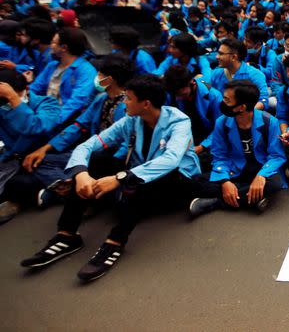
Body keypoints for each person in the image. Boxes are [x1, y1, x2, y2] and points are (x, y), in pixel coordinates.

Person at [19, 75, 200, 282]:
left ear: (146, 103)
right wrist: (81, 174)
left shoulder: (178, 121)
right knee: (96, 160)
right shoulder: (132, 120)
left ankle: (115, 242)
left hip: (176, 182)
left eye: (129, 98)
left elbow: (170, 160)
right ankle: (67, 234)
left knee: (138, 181)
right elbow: (88, 145)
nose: (124, 102)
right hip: (138, 175)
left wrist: (119, 178)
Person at [0, 56, 131, 224]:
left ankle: (79, 193)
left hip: (110, 157)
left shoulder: (127, 103)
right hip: (92, 150)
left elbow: (126, 142)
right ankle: (64, 186)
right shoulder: (101, 99)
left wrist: (14, 100)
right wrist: (46, 147)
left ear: (109, 79)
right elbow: (79, 125)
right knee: (38, 160)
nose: (96, 78)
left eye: (99, 74)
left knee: (25, 177)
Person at [188, 80, 286, 217]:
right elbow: (219, 156)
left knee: (275, 183)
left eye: (227, 100)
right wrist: (224, 181)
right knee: (195, 182)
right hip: (235, 168)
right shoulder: (221, 122)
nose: (222, 103)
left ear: (241, 107)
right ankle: (253, 198)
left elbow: (277, 155)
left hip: (260, 167)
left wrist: (261, 175)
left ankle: (216, 202)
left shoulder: (269, 122)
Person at [0, 69, 61, 221]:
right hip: (13, 160)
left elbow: (33, 127)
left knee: (19, 184)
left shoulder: (48, 104)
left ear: (26, 89)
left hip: (45, 160)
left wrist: (13, 99)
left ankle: (48, 194)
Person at [29, 27, 97, 126]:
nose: (51, 46)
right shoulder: (52, 66)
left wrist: (52, 121)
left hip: (65, 123)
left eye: (53, 43)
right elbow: (35, 88)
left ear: (64, 48)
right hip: (44, 115)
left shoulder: (86, 71)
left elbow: (76, 103)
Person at [163, 65, 223, 170]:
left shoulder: (214, 96)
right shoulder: (170, 94)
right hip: (180, 140)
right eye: (175, 94)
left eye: (180, 94)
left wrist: (201, 147)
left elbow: (219, 129)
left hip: (206, 142)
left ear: (192, 82)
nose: (178, 98)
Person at [209, 38, 270, 110]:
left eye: (221, 54)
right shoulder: (217, 73)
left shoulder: (255, 75)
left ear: (234, 57)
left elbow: (263, 101)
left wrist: (243, 112)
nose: (217, 57)